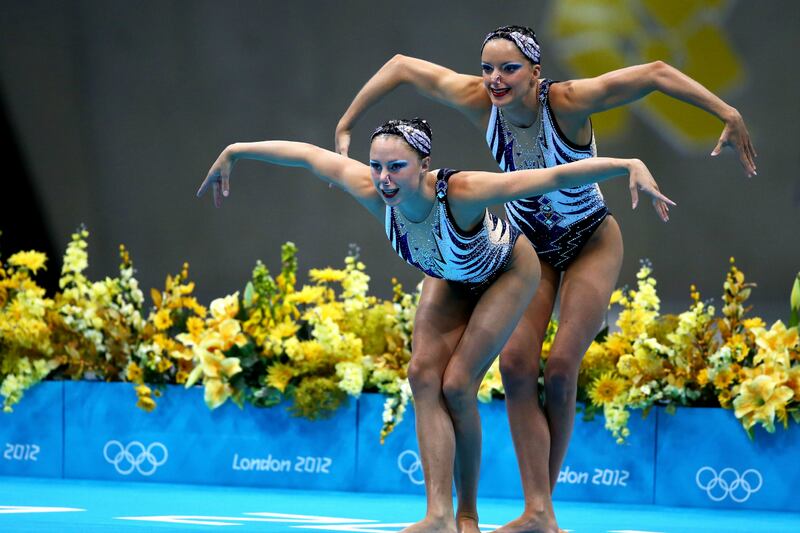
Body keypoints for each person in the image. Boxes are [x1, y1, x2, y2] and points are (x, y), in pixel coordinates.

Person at [334, 26, 755, 533]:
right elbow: (402, 63)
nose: (494, 79)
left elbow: (655, 74)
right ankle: (538, 512)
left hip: (590, 241)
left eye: (509, 68)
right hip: (534, 249)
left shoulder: (570, 102)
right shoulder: (480, 99)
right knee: (514, 365)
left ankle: (540, 511)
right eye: (487, 67)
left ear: (535, 71)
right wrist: (346, 123)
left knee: (559, 370)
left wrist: (727, 113)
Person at [198, 118, 673, 533]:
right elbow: (306, 156)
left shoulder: (461, 192)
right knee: (422, 375)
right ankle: (439, 516)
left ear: (424, 165)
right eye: (377, 166)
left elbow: (546, 176)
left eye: (396, 167)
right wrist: (235, 151)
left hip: (508, 272)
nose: (383, 178)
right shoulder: (374, 191)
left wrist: (627, 164)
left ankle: (467, 516)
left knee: (458, 384)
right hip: (449, 274)